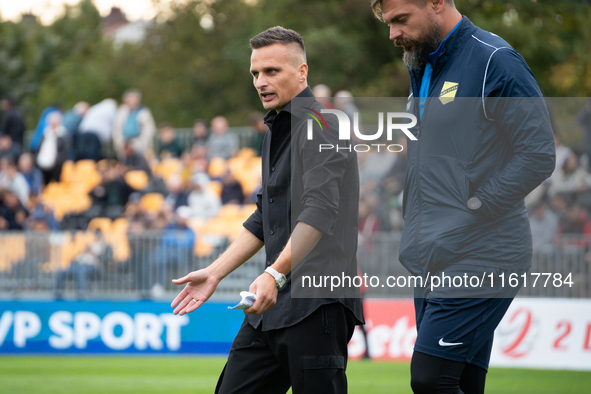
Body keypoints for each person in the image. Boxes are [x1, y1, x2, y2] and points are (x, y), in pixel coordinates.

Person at [370, 1, 555, 393]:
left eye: (401, 20)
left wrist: (476, 206)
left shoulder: (495, 60)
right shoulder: (421, 65)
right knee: (462, 382)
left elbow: (538, 153)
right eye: (389, 24)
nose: (393, 34)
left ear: (437, 3)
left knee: (430, 378)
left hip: (484, 252)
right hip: (432, 254)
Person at [171, 26, 363, 394]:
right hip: (272, 302)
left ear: (302, 72)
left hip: (316, 303)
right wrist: (214, 273)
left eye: (272, 71)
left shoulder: (325, 125)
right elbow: (263, 216)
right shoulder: (275, 130)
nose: (261, 81)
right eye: (255, 73)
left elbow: (319, 211)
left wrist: (274, 274)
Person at [113, 89, 157, 158]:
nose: (133, 100)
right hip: (124, 142)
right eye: (130, 98)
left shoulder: (144, 112)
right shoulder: (121, 111)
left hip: (139, 142)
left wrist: (143, 143)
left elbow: (149, 130)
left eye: (134, 98)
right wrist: (120, 143)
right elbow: (117, 128)